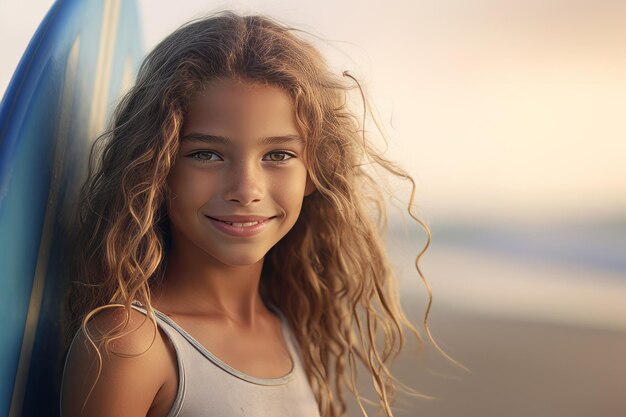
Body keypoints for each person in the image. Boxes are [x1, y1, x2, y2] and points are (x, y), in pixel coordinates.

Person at [60, 11, 435, 417]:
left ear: (314, 173)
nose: (245, 189)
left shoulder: (290, 325)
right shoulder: (131, 344)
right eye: (206, 154)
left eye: (279, 155)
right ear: (156, 168)